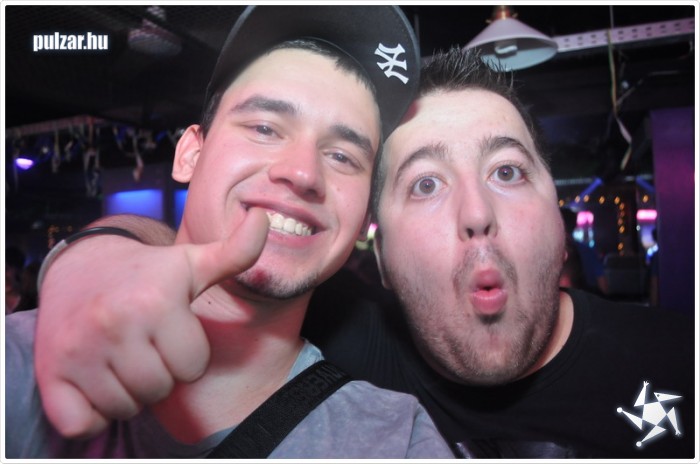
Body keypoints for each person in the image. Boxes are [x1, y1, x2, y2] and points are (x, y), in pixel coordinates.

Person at [17, 49, 695, 459]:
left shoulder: (678, 359)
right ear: (380, 246)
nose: (476, 213)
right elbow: (232, 247)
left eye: (508, 172)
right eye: (425, 184)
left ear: (558, 213)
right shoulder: (354, 336)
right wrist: (95, 257)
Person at [4, 6, 455, 459]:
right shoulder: (20, 360)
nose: (303, 172)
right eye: (265, 128)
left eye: (342, 156)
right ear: (190, 155)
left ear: (362, 219)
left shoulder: (396, 441)